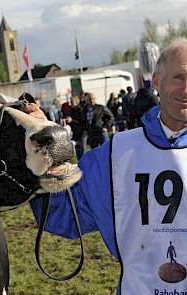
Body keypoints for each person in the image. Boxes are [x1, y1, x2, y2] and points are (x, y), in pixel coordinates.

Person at [28, 39, 187, 294]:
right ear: (157, 82)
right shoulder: (115, 154)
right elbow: (65, 213)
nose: (186, 89)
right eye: (179, 77)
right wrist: (41, 146)